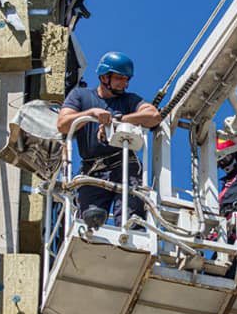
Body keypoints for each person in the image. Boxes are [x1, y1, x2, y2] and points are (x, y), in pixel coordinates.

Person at [57, 52, 161, 227]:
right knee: (89, 223)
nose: (125, 84)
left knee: (131, 221)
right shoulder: (80, 96)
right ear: (104, 77)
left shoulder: (129, 100)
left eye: (127, 79)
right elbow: (63, 124)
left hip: (125, 166)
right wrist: (91, 114)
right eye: (120, 78)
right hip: (93, 170)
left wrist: (117, 121)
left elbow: (153, 116)